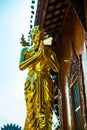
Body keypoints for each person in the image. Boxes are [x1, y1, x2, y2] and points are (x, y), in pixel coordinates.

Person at [19, 26, 59, 130]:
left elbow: (57, 68)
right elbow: (21, 66)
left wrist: (45, 55)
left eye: (40, 33)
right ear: (31, 36)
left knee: (46, 108)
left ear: (42, 36)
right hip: (32, 81)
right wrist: (37, 56)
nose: (37, 35)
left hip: (46, 80)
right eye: (35, 33)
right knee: (32, 109)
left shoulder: (49, 52)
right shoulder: (26, 50)